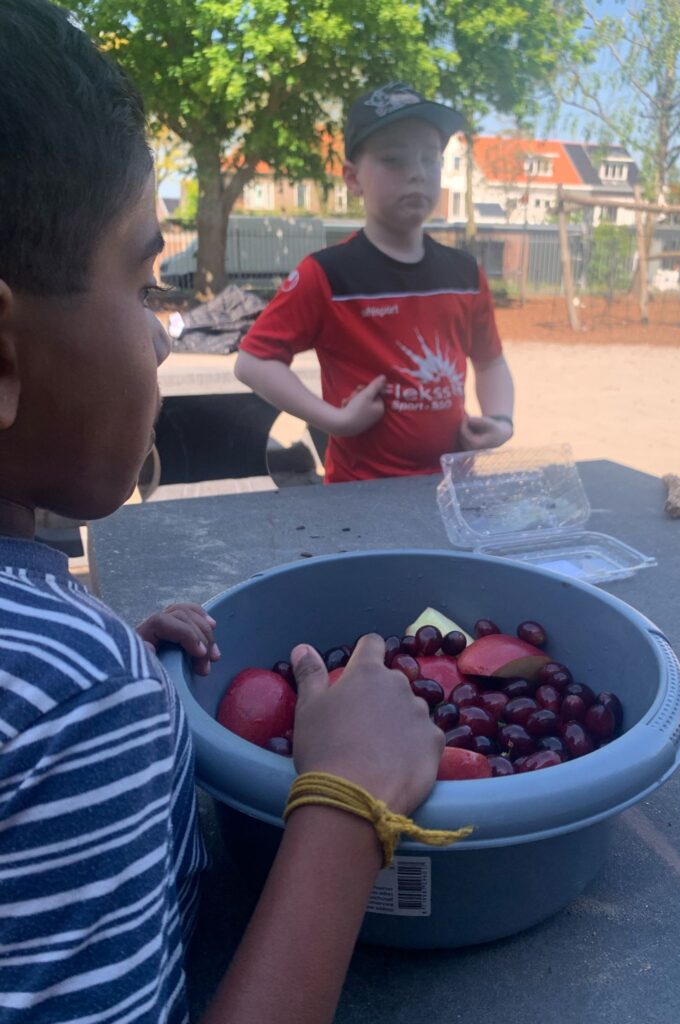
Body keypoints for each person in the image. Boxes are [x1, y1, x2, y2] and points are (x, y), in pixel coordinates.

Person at [0, 4, 446, 1022]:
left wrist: (89, 645)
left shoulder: (61, 672)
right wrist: (349, 800)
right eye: (143, 276)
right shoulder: (77, 703)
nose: (163, 342)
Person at [234, 81, 515, 484]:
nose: (417, 173)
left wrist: (501, 420)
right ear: (352, 178)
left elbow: (490, 361)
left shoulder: (465, 274)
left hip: (452, 489)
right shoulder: (328, 274)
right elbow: (253, 362)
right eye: (394, 160)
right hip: (360, 497)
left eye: (430, 158)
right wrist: (335, 420)